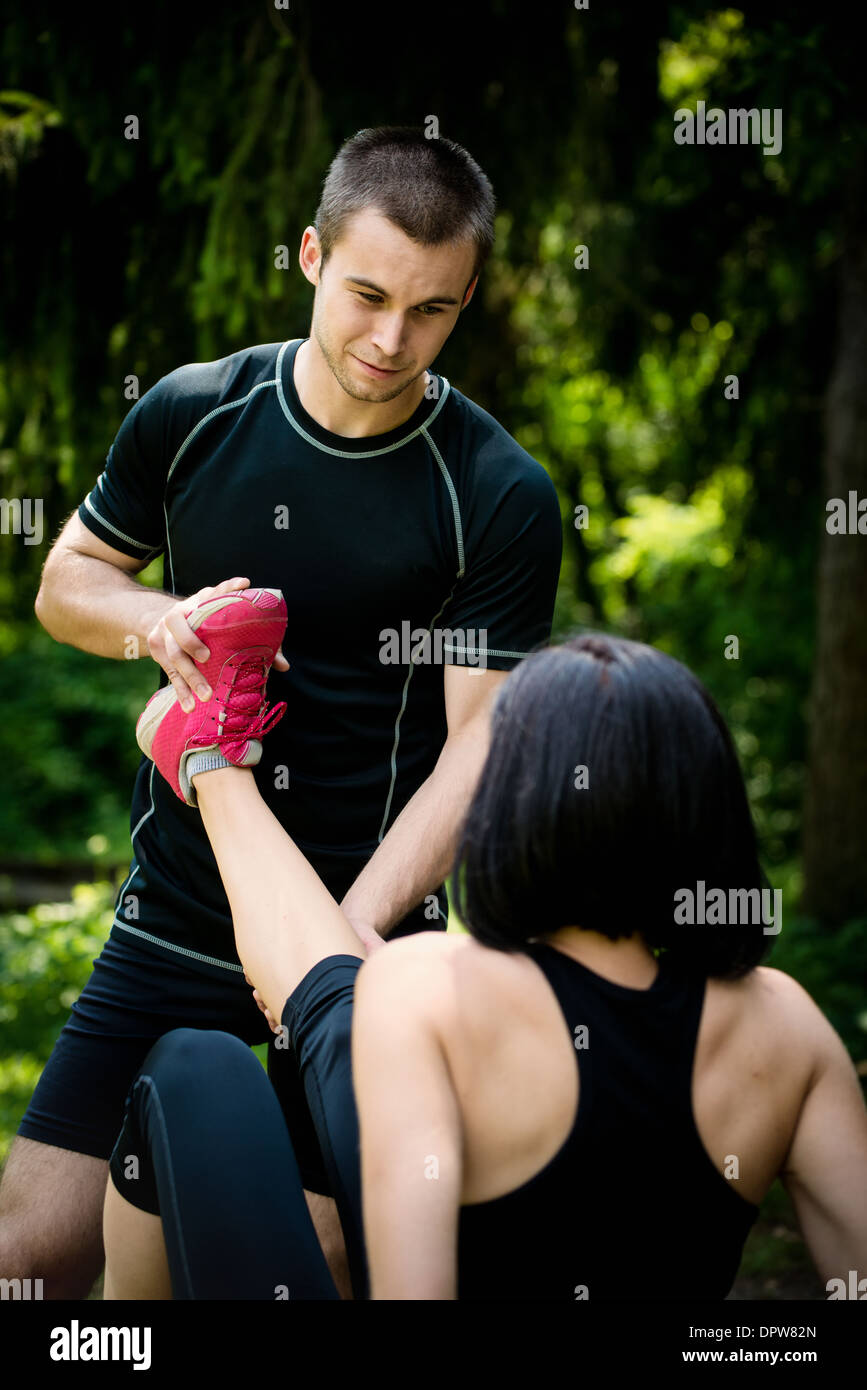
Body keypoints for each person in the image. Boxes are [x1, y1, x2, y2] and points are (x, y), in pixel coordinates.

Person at [2, 125, 563, 1298]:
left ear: (464, 303)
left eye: (431, 312)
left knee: (304, 1268)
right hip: (182, 902)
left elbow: (478, 749)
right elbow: (67, 585)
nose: (389, 340)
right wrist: (153, 622)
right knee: (31, 1259)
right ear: (310, 254)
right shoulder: (194, 411)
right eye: (365, 294)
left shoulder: (497, 491)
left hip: (368, 933)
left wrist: (335, 946)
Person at [102, 617, 867, 1299]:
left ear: (509, 807)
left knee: (194, 1067)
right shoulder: (786, 1024)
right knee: (312, 1011)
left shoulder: (426, 982)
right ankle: (209, 762)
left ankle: (209, 762)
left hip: (385, 1008)